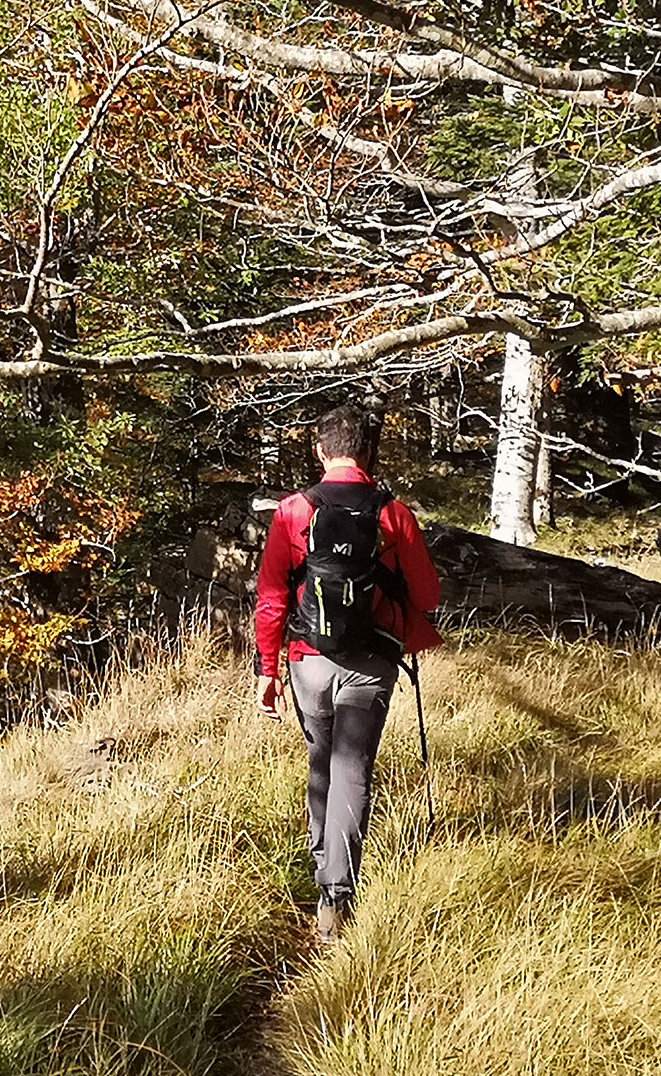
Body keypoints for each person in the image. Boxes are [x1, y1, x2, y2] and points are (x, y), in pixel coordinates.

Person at [253, 404, 442, 943]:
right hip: (371, 663)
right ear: (368, 451)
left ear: (320, 450)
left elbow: (271, 599)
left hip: (308, 661)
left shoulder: (293, 511)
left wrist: (269, 670)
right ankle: (337, 893)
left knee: (322, 761)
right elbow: (427, 595)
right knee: (353, 768)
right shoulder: (394, 513)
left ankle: (324, 864)